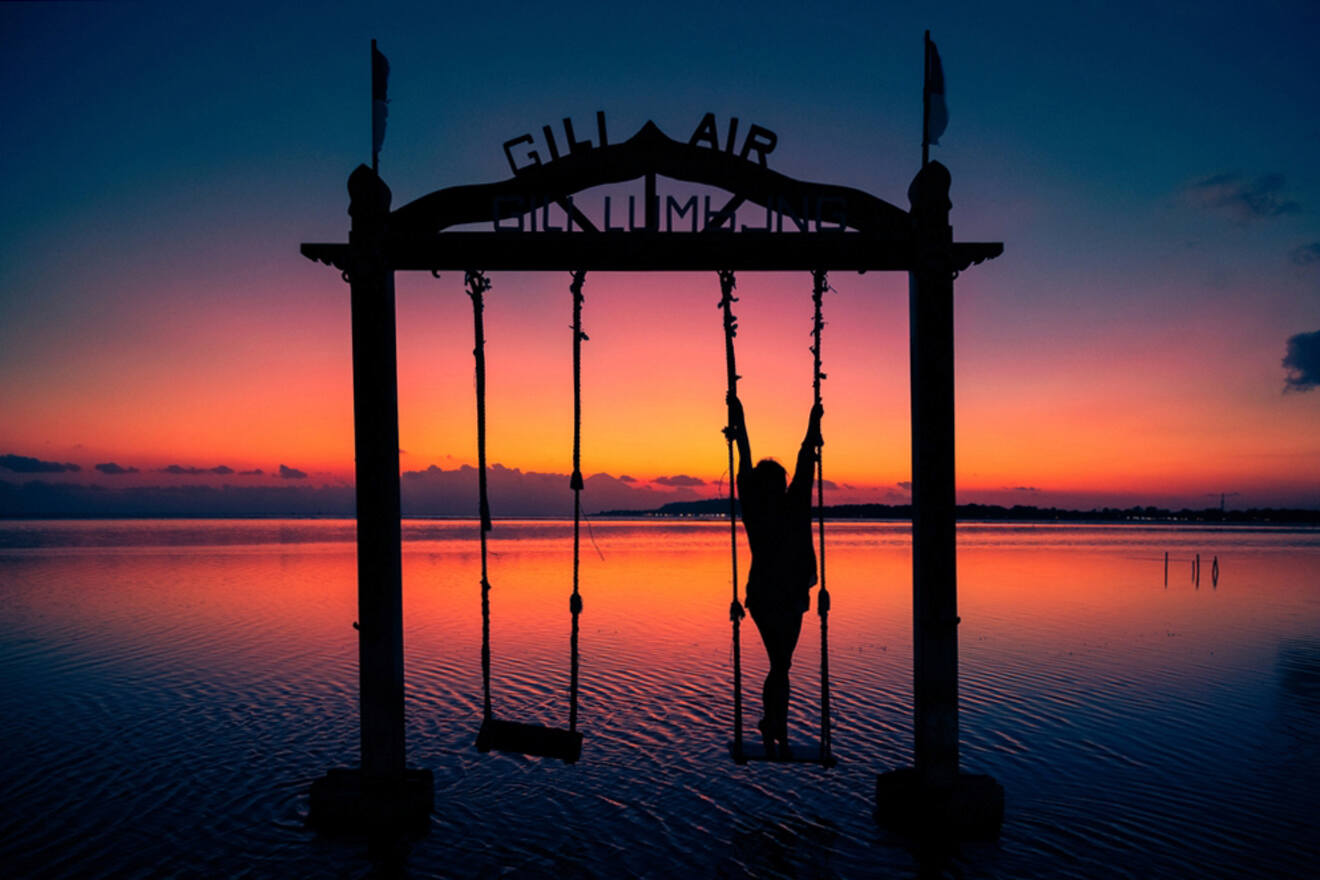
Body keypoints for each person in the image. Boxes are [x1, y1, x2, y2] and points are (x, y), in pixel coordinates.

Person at [727, 392, 822, 758]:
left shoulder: (757, 509)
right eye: (779, 481)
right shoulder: (788, 505)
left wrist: (741, 421)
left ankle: (773, 724)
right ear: (777, 485)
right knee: (781, 663)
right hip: (782, 596)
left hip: (772, 596)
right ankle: (774, 725)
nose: (784, 484)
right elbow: (801, 461)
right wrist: (812, 426)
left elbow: (751, 461)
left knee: (781, 664)